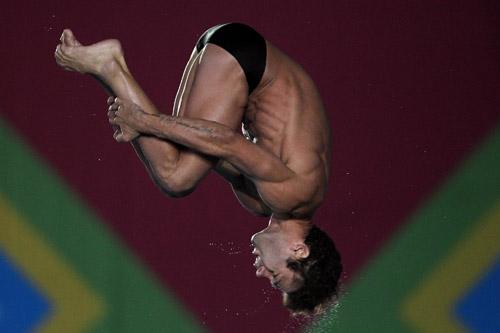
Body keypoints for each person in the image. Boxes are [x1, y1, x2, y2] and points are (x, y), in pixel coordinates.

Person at [55, 22, 342, 314]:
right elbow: (229, 142)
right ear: (299, 250)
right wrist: (143, 122)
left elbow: (212, 150)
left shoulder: (260, 201)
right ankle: (109, 66)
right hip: (244, 60)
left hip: (231, 49)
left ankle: (109, 67)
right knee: (176, 177)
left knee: (175, 164)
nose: (262, 273)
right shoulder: (296, 195)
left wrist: (144, 123)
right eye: (276, 278)